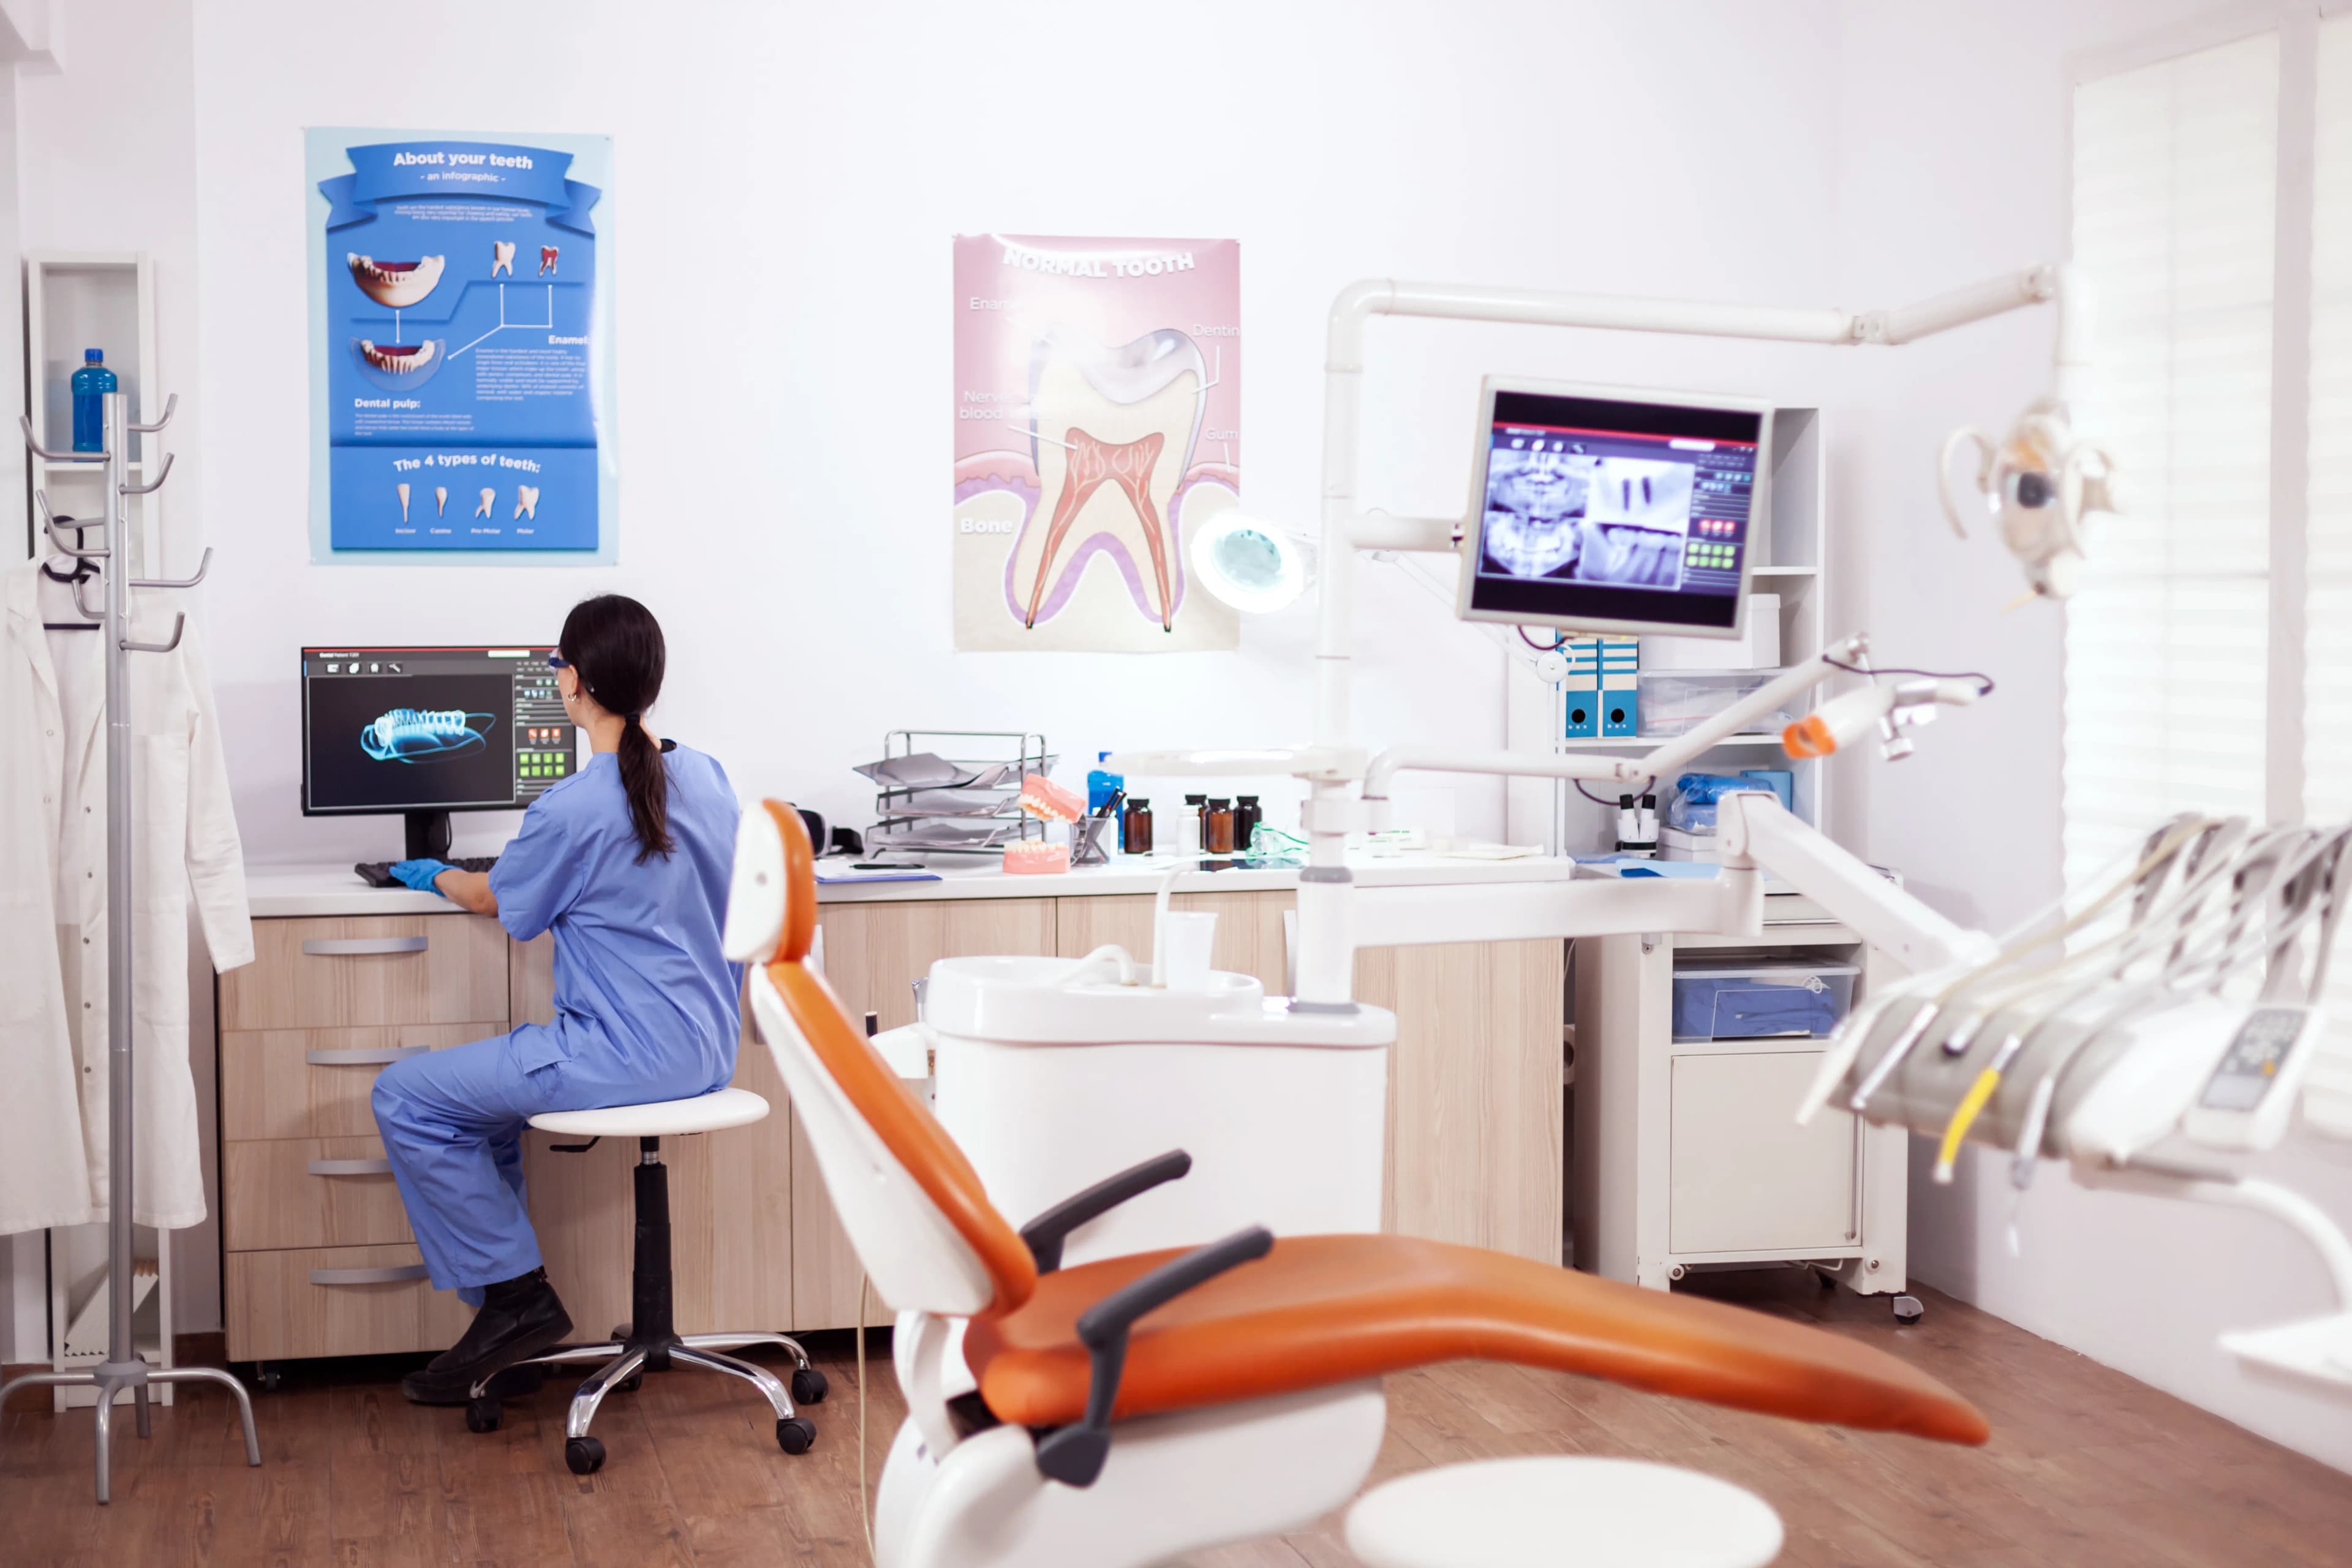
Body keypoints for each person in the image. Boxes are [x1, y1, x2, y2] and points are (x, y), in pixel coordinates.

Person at [371, 595, 742, 1404]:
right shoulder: (709, 777)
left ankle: (516, 1301)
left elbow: (498, 903)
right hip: (710, 1054)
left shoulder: (571, 808)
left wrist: (429, 873)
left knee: (404, 1095)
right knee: (482, 1106)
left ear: (569, 682)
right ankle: (504, 1313)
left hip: (615, 1062)